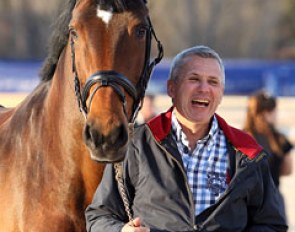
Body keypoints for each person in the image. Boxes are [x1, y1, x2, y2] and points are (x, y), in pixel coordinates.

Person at [85, 45, 287, 232]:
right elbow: (99, 216)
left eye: (213, 82)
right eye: (194, 79)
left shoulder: (248, 153)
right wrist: (121, 231)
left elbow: (271, 224)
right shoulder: (136, 145)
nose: (204, 88)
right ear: (172, 88)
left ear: (221, 93)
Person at [244, 90, 293, 216]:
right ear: (266, 113)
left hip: (245, 200)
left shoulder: (239, 138)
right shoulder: (279, 139)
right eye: (275, 112)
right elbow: (287, 170)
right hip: (272, 199)